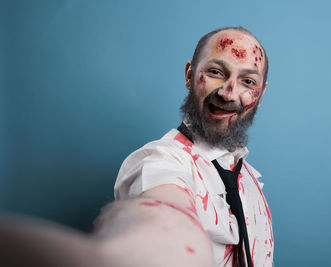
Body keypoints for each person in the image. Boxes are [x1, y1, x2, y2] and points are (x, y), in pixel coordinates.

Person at [0, 26, 273, 267]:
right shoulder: (160, 163)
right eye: (215, 72)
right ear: (190, 75)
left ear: (260, 96)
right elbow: (165, 216)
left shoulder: (249, 180)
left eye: (248, 81)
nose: (228, 92)